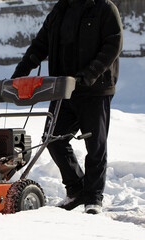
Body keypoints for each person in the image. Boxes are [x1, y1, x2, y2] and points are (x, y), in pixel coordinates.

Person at [11, 0, 123, 214]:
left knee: (95, 146)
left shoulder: (104, 8)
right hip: (63, 89)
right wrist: (20, 72)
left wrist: (89, 75)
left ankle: (93, 198)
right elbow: (40, 45)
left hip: (94, 89)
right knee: (53, 139)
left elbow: (113, 45)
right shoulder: (60, 10)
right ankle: (76, 189)